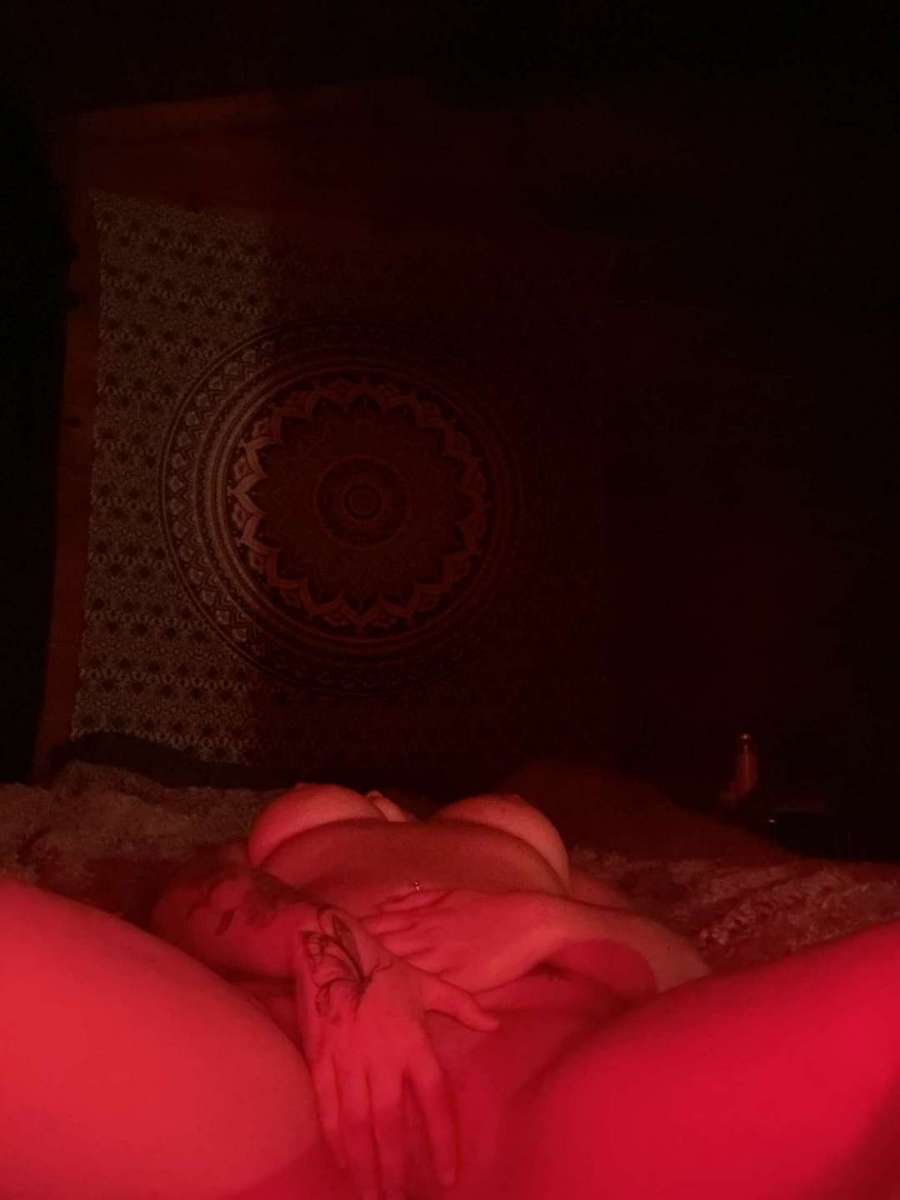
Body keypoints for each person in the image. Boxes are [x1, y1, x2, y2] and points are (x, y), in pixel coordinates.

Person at [2, 780, 900, 1200]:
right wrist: (334, 946)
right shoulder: (246, 863)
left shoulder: (572, 886)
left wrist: (546, 925)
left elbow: (684, 979)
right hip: (275, 1100)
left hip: (564, 1116)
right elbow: (189, 907)